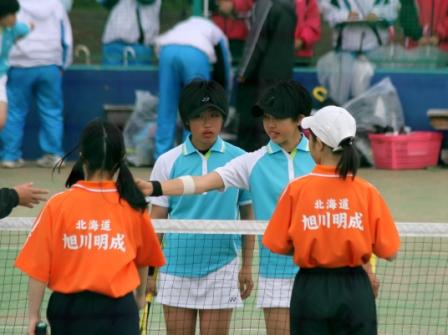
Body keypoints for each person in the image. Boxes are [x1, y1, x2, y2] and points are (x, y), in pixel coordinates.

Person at [139, 80, 316, 335]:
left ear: (300, 119)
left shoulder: (320, 156)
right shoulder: (250, 162)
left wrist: (364, 266)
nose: (270, 125)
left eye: (277, 117)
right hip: (273, 273)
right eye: (266, 117)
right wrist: (155, 188)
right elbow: (202, 183)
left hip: (322, 271)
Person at [15, 119, 166, 335]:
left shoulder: (58, 205)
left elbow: (38, 268)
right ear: (120, 161)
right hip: (119, 313)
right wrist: (140, 297)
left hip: (68, 312)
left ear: (82, 157)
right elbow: (143, 261)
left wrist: (33, 316)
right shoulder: (134, 205)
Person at [263, 105, 400, 334]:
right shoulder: (367, 192)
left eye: (309, 137)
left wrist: (314, 241)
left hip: (310, 289)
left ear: (321, 144)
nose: (308, 142)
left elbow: (277, 243)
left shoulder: (296, 190)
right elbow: (391, 251)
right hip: (356, 290)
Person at [148, 79, 254, 335]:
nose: (207, 124)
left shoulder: (240, 159)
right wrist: (150, 274)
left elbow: (248, 219)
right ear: (187, 120)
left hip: (222, 268)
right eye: (199, 117)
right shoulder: (167, 161)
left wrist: (247, 266)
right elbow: (156, 223)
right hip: (175, 269)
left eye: (214, 115)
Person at [0, 0, 73, 169]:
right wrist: (62, 64)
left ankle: (10, 155)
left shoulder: (13, 5)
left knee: (14, 112)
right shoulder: (57, 5)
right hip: (50, 64)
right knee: (52, 111)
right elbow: (66, 38)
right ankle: (54, 154)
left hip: (19, 65)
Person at [153, 16, 232, 161]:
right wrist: (225, 94)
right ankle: (191, 155)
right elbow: (225, 68)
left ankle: (160, 155)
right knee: (197, 105)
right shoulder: (218, 33)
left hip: (167, 51)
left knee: (166, 105)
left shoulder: (185, 24)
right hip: (195, 53)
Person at [236, 0, 297, 152]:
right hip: (282, 70)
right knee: (276, 119)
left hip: (264, 75)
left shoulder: (267, 5)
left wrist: (244, 71)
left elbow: (256, 40)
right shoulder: (289, 6)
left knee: (261, 120)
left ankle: (256, 160)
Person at [99, 0, 161, 66]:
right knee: (110, 75)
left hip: (140, 45)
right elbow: (105, 3)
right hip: (112, 42)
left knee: (138, 76)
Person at [0, 0, 31, 130]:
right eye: (11, 14)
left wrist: (15, 38)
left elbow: (26, 28)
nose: (14, 18)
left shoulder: (12, 29)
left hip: (1, 77)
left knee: (1, 121)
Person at [293, 0, 321, 64]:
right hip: (275, 53)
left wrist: (302, 40)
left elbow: (313, 24)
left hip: (301, 56)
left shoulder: (309, 1)